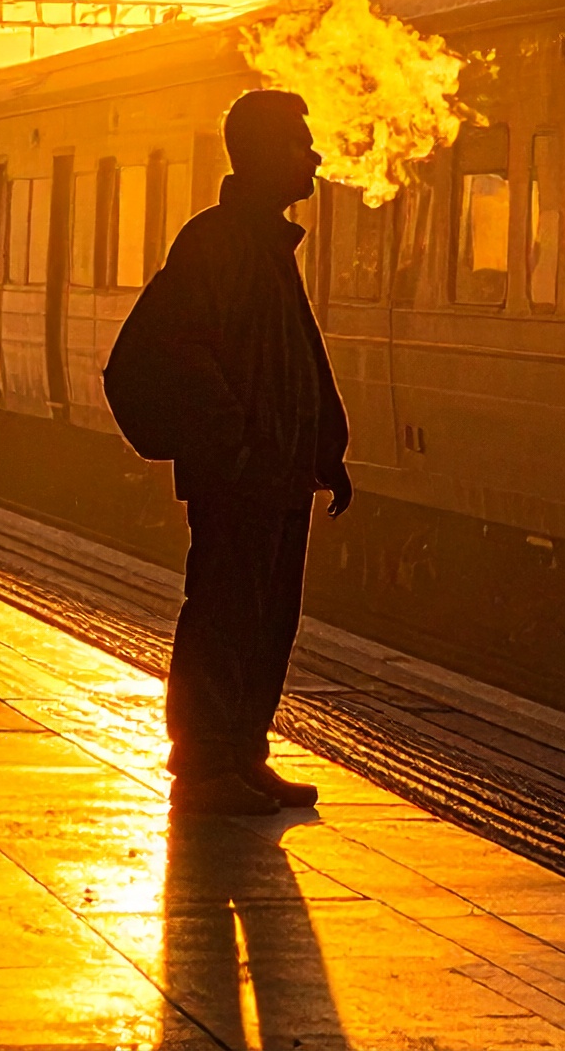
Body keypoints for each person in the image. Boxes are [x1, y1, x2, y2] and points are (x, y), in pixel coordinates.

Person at [104, 89, 353, 815]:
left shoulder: (265, 245)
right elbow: (180, 351)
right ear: (262, 153)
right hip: (243, 472)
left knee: (266, 619)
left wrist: (325, 446)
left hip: (279, 471)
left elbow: (293, 357)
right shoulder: (216, 243)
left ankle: (243, 752)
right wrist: (234, 444)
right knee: (222, 614)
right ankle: (204, 762)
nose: (313, 157)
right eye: (300, 144)